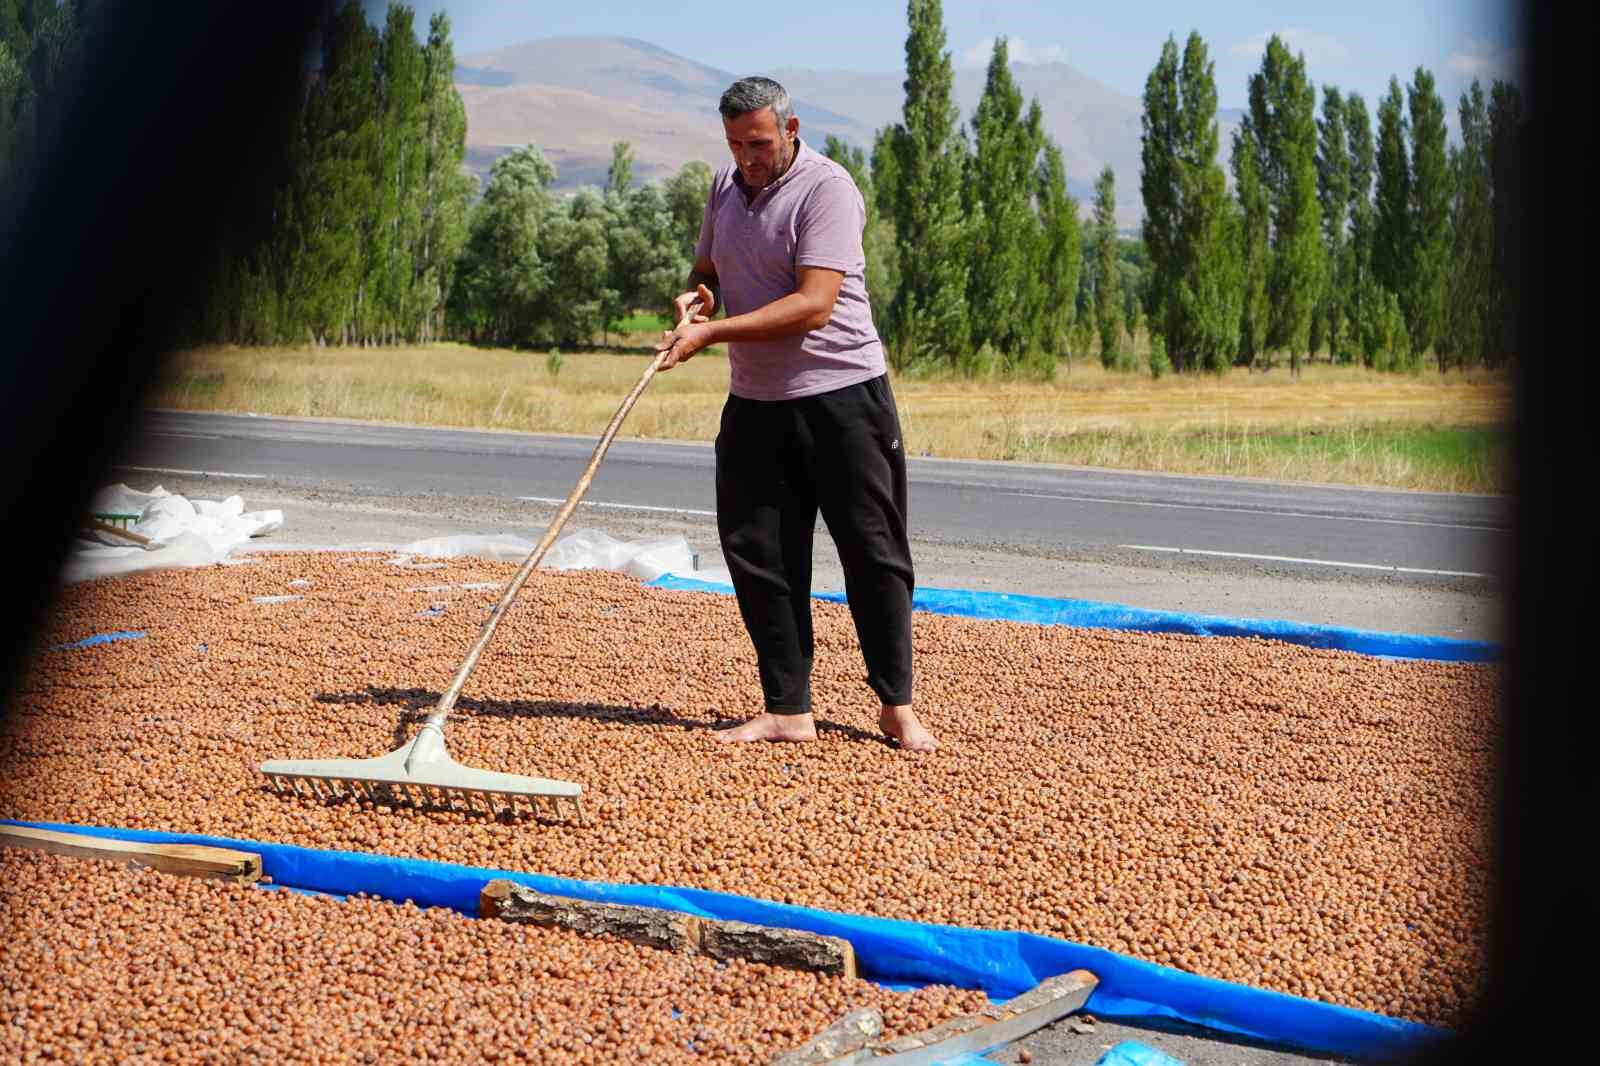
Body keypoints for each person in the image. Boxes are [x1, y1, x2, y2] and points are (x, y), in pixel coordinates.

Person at [656, 76, 937, 753]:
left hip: (843, 397)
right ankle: (788, 708)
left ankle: (896, 705)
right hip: (756, 403)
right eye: (734, 145)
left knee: (872, 552)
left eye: (757, 143)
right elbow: (709, 269)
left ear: (791, 128)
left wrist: (710, 337)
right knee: (759, 554)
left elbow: (813, 304)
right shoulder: (724, 188)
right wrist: (699, 299)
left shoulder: (827, 189)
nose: (747, 159)